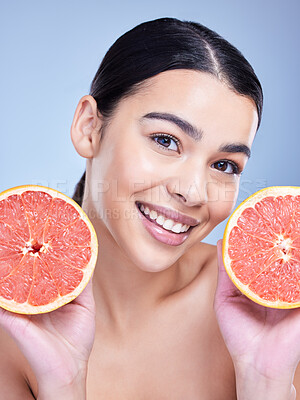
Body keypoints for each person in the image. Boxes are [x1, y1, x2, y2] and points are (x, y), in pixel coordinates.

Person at [0, 17, 299, 399]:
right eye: (165, 140)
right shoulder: (12, 326)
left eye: (224, 165)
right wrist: (63, 383)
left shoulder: (270, 319)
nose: (192, 192)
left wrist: (267, 383)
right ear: (89, 126)